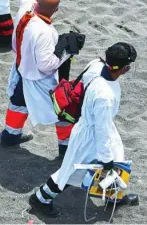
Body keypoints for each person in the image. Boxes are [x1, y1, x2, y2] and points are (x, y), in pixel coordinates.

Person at [29, 43, 138, 217]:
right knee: (71, 171)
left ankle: (113, 197)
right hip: (92, 136)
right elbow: (101, 131)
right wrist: (106, 159)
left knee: (119, 161)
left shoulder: (96, 65)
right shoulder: (105, 97)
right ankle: (40, 199)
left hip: (92, 126)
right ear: (124, 68)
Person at [0, 0, 84, 157]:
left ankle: (10, 135)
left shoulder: (25, 8)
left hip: (20, 68)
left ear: (37, 0)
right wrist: (65, 53)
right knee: (63, 110)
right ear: (56, 10)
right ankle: (65, 149)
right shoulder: (45, 32)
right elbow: (46, 65)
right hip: (37, 78)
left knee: (18, 102)